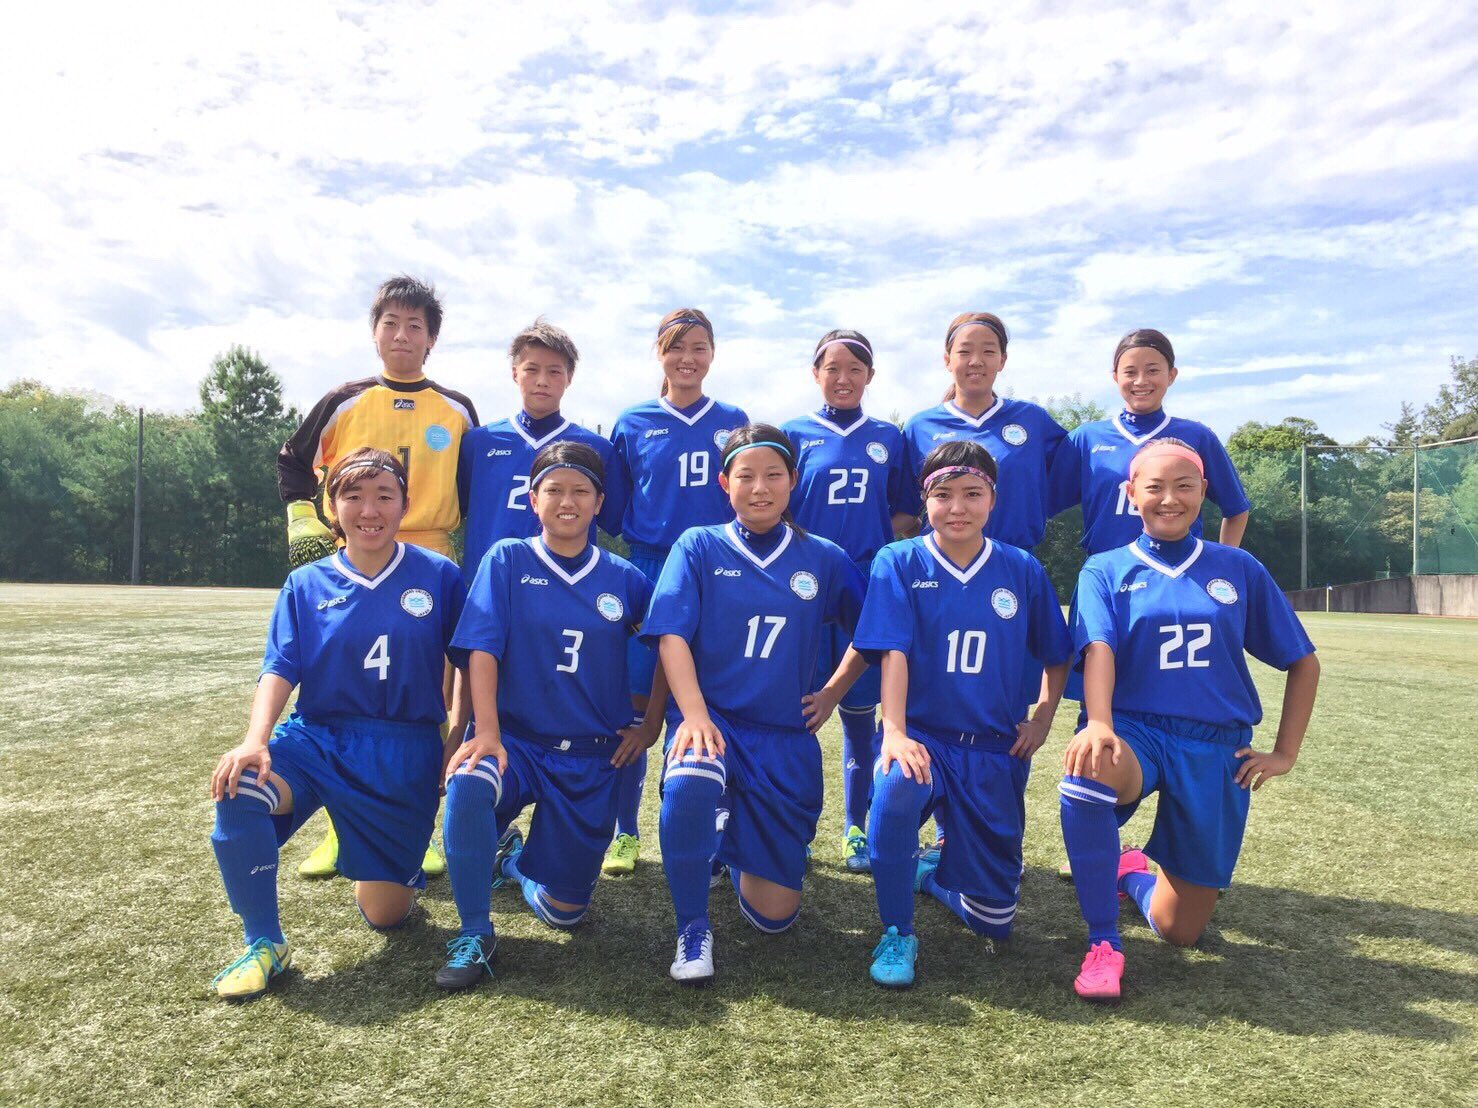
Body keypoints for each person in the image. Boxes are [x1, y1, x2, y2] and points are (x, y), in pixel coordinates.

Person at [1058, 439, 1319, 1002]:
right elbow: (1098, 647)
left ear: (1204, 491)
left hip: (1216, 747)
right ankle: (1103, 943)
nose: (1169, 499)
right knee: (1088, 769)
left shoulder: (1238, 568)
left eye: (1184, 486)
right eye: (1154, 487)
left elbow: (1303, 662)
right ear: (1130, 495)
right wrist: (1098, 723)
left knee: (1181, 931)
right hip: (1137, 729)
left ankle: (1130, 871)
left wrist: (1284, 753)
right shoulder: (1104, 568)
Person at [208, 449, 468, 1001]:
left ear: (405, 505)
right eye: (352, 496)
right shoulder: (305, 583)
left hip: (403, 751)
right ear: (332, 508)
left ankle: (383, 867)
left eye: (383, 496)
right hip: (316, 738)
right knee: (240, 789)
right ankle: (264, 943)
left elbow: (471, 660)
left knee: (386, 915)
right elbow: (279, 665)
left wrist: (457, 733)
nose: (368, 510)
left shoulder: (441, 576)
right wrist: (255, 741)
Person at [435, 442, 663, 989]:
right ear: (532, 499)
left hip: (589, 755)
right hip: (516, 741)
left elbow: (670, 645)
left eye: (581, 491)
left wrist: (650, 724)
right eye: (554, 490)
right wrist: (484, 730)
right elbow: (481, 649)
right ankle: (475, 931)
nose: (568, 501)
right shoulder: (508, 559)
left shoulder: (624, 578)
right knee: (469, 783)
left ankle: (513, 862)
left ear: (599, 502)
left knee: (566, 914)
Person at [644, 424, 866, 985]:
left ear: (794, 481)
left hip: (782, 736)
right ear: (725, 482)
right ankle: (693, 927)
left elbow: (874, 632)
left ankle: (726, 836)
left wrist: (835, 690)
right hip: (713, 719)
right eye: (746, 475)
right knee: (693, 777)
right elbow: (671, 634)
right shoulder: (698, 545)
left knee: (775, 918)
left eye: (773, 475)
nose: (759, 487)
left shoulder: (824, 558)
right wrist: (692, 715)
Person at [276, 275, 478, 879]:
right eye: (391, 323)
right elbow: (292, 460)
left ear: (431, 339)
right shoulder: (345, 399)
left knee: (430, 694)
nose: (402, 334)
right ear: (375, 333)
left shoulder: (458, 410)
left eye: (415, 325)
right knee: (340, 691)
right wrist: (303, 524)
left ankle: (419, 819)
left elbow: (476, 486)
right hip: (353, 557)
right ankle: (344, 821)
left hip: (428, 560)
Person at [853, 441, 1071, 988]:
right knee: (897, 789)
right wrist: (895, 732)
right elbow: (893, 650)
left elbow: (1057, 653)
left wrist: (1043, 718)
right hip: (923, 734)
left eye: (972, 494)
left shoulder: (1021, 568)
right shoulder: (898, 560)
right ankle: (898, 930)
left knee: (994, 924)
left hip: (994, 748)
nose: (958, 507)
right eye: (943, 495)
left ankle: (933, 877)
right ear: (924, 500)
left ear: (993, 499)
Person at [902, 312, 1068, 857]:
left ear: (1003, 358)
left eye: (988, 351)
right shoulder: (920, 426)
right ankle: (940, 836)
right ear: (946, 359)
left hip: (1008, 580)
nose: (976, 361)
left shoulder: (1033, 421)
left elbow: (1065, 484)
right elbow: (906, 509)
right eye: (965, 351)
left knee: (1006, 719)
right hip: (941, 579)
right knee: (940, 704)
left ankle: (993, 835)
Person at [602, 310, 749, 876]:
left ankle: (708, 822)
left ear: (713, 353)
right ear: (658, 352)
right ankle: (625, 832)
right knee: (636, 703)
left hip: (717, 567)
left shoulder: (732, 418)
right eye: (677, 347)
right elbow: (614, 508)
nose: (688, 358)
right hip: (649, 564)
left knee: (706, 698)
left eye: (700, 347)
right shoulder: (633, 421)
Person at [782, 329, 917, 872]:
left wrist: (872, 541)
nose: (843, 378)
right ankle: (788, 823)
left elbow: (908, 509)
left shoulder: (889, 435)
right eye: (832, 368)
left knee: (860, 715)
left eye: (855, 368)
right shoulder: (793, 432)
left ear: (870, 375)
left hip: (863, 582)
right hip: (801, 583)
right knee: (792, 710)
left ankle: (855, 828)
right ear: (815, 374)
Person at [1049, 328, 1250, 555]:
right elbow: (1040, 504)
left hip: (1181, 575)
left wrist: (1223, 563)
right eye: (1130, 372)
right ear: (1116, 377)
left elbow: (1236, 509)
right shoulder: (1085, 439)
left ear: (1171, 375)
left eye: (1152, 370)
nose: (1141, 381)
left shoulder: (1198, 437)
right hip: (1109, 578)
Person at [457, 318, 627, 584]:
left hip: (566, 587)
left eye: (554, 372)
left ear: (569, 377)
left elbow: (614, 520)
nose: (542, 381)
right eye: (531, 370)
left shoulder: (597, 449)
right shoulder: (478, 443)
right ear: (515, 373)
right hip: (489, 587)